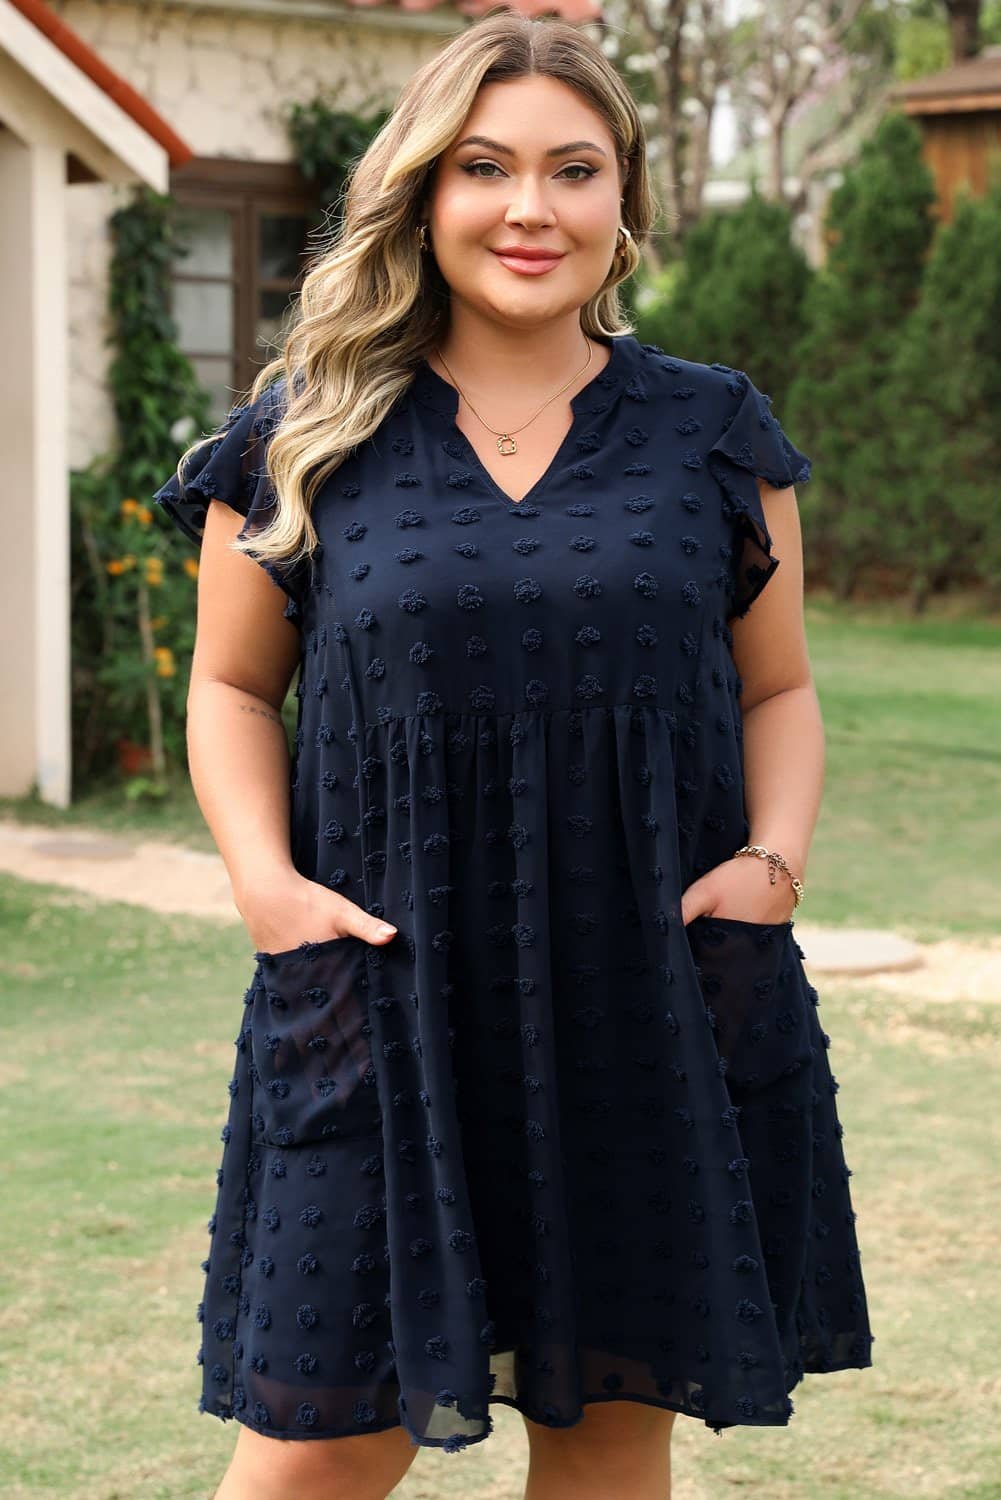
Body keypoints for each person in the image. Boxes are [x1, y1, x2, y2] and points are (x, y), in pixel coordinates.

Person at [152, 12, 872, 1499]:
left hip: (649, 998)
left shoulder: (713, 430)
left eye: (573, 169)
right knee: (312, 1453)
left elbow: (781, 690)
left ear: (624, 202)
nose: (529, 208)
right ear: (422, 192)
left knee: (607, 1436)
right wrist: (266, 888)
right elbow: (228, 684)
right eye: (483, 167)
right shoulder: (304, 432)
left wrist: (772, 864)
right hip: (385, 990)